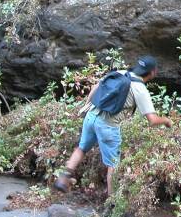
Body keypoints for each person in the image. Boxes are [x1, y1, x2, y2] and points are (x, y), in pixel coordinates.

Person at [53, 55, 172, 197]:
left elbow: (96, 87)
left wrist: (87, 106)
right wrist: (166, 121)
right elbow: (152, 120)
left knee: (81, 148)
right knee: (113, 165)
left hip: (91, 116)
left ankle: (63, 178)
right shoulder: (140, 89)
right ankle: (112, 202)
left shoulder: (120, 73)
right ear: (153, 72)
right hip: (107, 126)